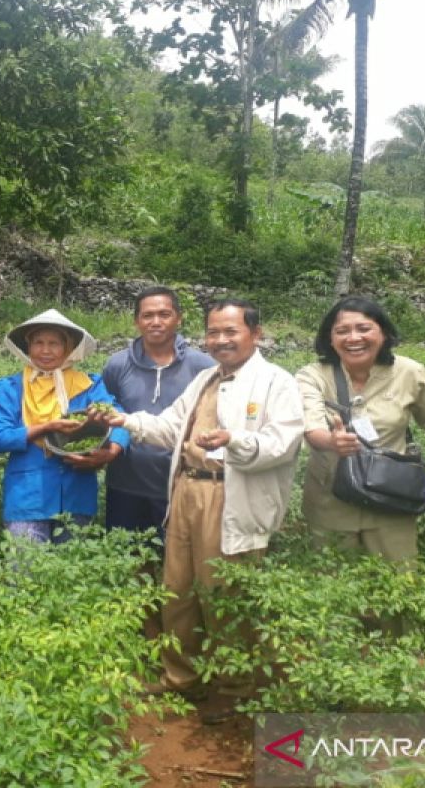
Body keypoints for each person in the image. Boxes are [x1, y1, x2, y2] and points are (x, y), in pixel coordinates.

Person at [92, 299, 303, 723]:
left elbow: (283, 444)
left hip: (229, 496)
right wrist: (124, 420)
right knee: (179, 589)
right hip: (186, 491)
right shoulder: (206, 378)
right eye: (214, 333)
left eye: (231, 332)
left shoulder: (275, 382)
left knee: (225, 593)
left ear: (255, 334)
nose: (220, 341)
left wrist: (234, 441)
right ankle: (182, 677)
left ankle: (232, 687)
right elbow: (169, 426)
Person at [296, 297, 425, 562]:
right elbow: (311, 426)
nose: (353, 338)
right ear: (330, 338)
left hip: (392, 500)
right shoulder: (312, 375)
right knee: (331, 584)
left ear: (383, 333)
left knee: (397, 583)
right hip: (330, 502)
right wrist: (331, 441)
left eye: (364, 328)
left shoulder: (410, 373)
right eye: (342, 331)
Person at [0, 309, 128, 543]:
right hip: (27, 496)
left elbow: (118, 418)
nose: (45, 350)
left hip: (77, 492)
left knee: (72, 570)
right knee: (25, 572)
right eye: (38, 343)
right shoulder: (10, 388)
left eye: (54, 343)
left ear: (68, 348)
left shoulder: (88, 385)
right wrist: (44, 428)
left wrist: (112, 451)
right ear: (28, 347)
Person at [101, 286, 213, 542]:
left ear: (179, 318)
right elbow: (110, 414)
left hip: (180, 482)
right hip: (125, 483)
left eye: (164, 314)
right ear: (136, 321)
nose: (156, 322)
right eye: (147, 315)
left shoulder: (203, 367)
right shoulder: (117, 365)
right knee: (127, 560)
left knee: (175, 562)